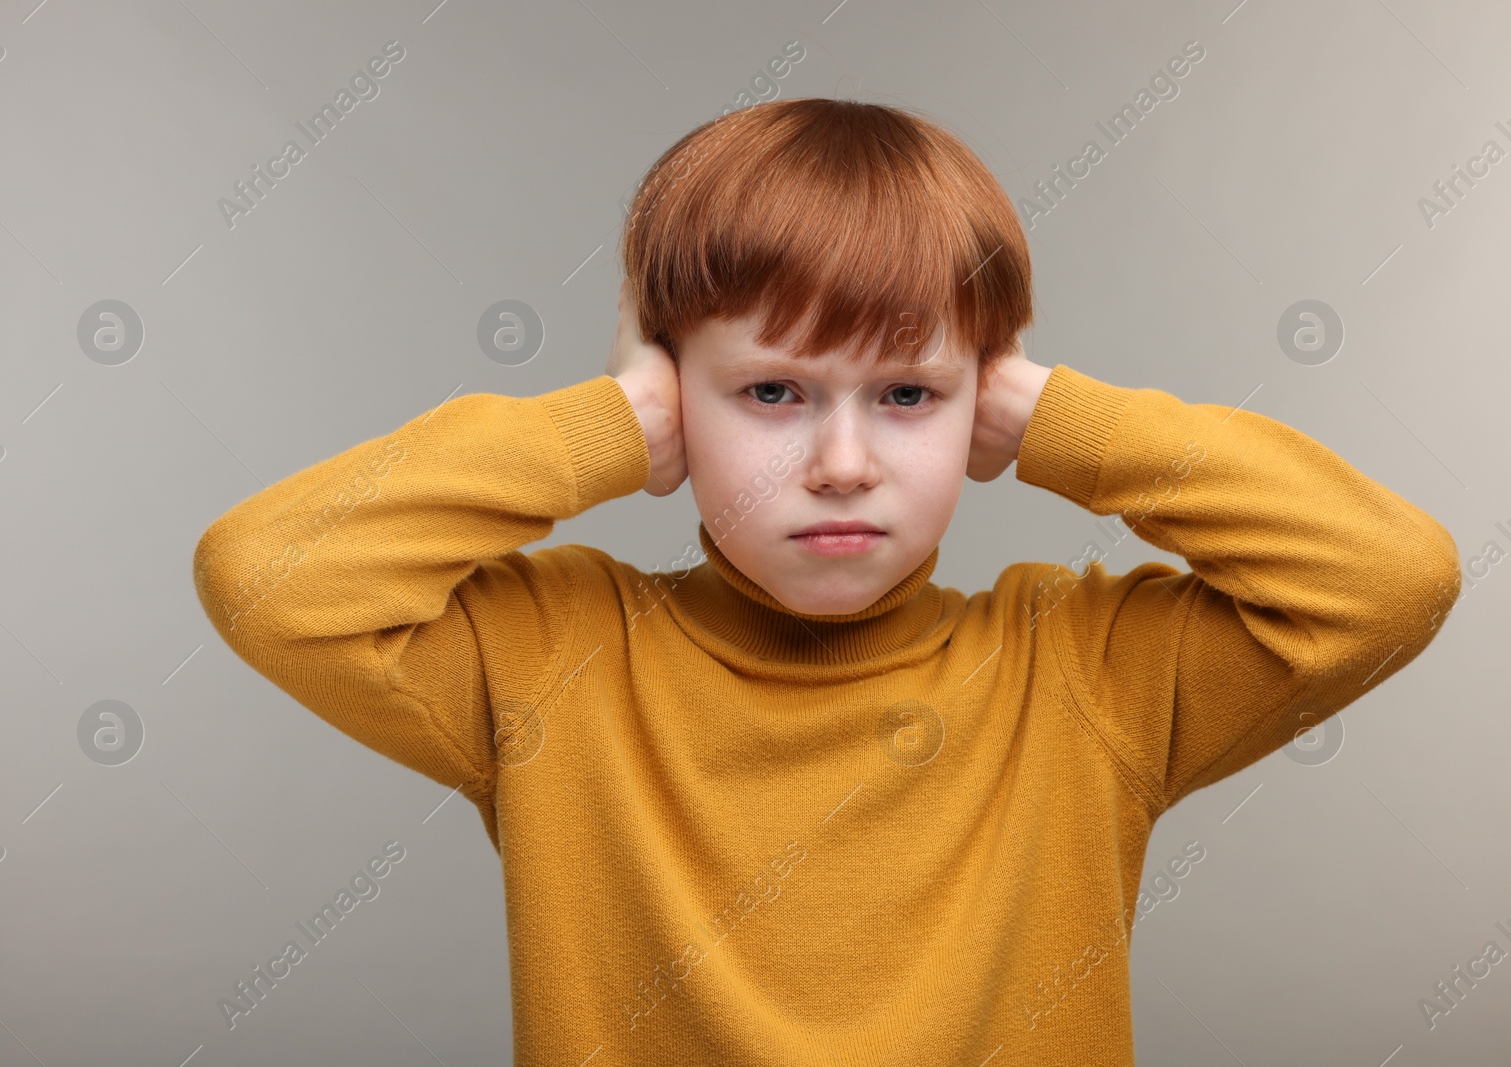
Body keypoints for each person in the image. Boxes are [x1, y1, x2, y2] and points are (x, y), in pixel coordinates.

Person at [191, 97, 1462, 1065]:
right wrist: (614, 420)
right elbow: (269, 574)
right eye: (770, 392)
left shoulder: (1082, 671)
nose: (842, 463)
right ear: (676, 393)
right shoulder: (552, 653)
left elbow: (1386, 576)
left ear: (981, 398)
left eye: (908, 392)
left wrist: (1045, 412)